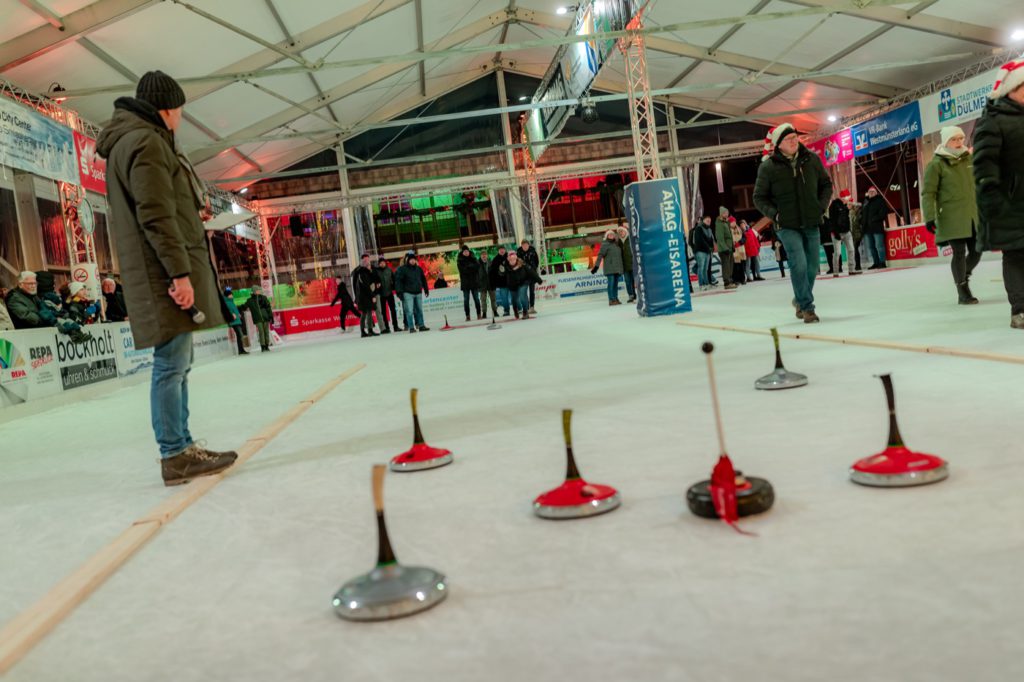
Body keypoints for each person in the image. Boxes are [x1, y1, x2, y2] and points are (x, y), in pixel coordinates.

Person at [96, 69, 236, 485]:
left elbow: (160, 206)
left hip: (155, 268)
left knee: (177, 364)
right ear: (168, 109)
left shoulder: (135, 141)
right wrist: (179, 273)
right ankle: (174, 453)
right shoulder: (147, 142)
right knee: (171, 365)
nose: (179, 120)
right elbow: (155, 215)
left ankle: (183, 445)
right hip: (162, 273)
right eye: (179, 112)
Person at [753, 122, 833, 323]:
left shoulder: (811, 160)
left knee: (812, 266)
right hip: (786, 225)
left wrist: (821, 206)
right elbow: (759, 197)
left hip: (811, 220)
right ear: (779, 144)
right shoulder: (768, 167)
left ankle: (799, 300)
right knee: (799, 264)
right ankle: (807, 307)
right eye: (789, 139)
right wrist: (776, 215)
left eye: (795, 137)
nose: (794, 140)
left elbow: (826, 184)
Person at [973, 59, 1024, 329]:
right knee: (1016, 255)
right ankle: (1020, 310)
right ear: (1013, 88)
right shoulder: (992, 120)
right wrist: (992, 196)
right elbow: (984, 162)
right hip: (1009, 201)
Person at [923, 126, 980, 305]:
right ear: (946, 141)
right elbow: (928, 193)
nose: (959, 142)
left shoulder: (969, 159)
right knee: (959, 252)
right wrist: (929, 216)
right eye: (954, 139)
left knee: (977, 250)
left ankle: (963, 275)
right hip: (950, 216)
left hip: (972, 215)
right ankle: (962, 289)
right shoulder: (936, 164)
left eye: (961, 138)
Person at [827, 190, 861, 277]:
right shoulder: (834, 205)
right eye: (848, 198)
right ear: (844, 198)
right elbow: (832, 220)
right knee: (837, 252)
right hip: (837, 232)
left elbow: (848, 217)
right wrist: (835, 232)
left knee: (851, 250)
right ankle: (835, 271)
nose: (849, 200)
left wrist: (848, 209)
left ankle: (852, 270)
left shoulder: (846, 206)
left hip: (846, 232)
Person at [394, 253, 430, 332]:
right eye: (411, 259)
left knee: (419, 310)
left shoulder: (418, 269)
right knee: (409, 311)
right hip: (408, 293)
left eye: (414, 259)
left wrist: (426, 289)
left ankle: (421, 325)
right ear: (408, 260)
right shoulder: (403, 269)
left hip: (418, 292)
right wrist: (399, 292)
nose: (413, 261)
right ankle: (411, 327)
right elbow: (398, 281)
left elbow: (423, 279)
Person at [591, 229, 625, 305]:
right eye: (609, 235)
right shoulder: (605, 244)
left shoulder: (616, 244)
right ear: (607, 236)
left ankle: (616, 298)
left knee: (615, 285)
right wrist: (596, 267)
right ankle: (611, 300)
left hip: (617, 268)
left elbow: (619, 257)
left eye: (612, 235)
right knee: (611, 284)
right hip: (609, 268)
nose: (611, 236)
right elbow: (600, 255)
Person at [506, 252, 543, 319]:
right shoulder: (506, 267)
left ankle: (525, 312)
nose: (512, 260)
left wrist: (539, 280)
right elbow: (501, 276)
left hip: (523, 282)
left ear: (516, 258)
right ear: (508, 259)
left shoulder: (522, 264)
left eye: (514, 258)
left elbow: (531, 272)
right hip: (512, 285)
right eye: (511, 259)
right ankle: (515, 310)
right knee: (514, 300)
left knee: (522, 295)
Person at [352, 253, 381, 338]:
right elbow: (366, 286)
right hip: (363, 296)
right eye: (365, 260)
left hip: (364, 295)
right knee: (366, 313)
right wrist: (372, 296)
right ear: (362, 261)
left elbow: (372, 280)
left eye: (368, 260)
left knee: (366, 313)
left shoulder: (367, 270)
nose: (367, 262)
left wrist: (370, 271)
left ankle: (366, 331)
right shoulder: (360, 272)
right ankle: (367, 331)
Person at [861, 187, 888, 269]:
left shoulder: (880, 201)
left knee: (879, 246)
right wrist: (862, 222)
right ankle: (876, 262)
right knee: (871, 247)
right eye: (869, 192)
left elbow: (883, 214)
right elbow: (863, 214)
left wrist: (873, 219)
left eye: (873, 191)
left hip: (877, 228)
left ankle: (882, 262)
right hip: (867, 229)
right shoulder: (866, 203)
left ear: (876, 192)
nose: (871, 193)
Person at [243, 284, 274, 351]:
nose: (259, 291)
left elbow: (268, 308)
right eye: (258, 290)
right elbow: (244, 307)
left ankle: (266, 345)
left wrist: (271, 316)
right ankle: (262, 346)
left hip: (265, 317)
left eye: (259, 290)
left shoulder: (263, 298)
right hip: (258, 319)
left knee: (266, 332)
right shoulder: (250, 300)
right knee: (261, 332)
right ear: (254, 291)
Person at [689, 216, 716, 290]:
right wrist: (707, 247)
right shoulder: (698, 228)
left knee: (705, 269)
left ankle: (706, 283)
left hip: (707, 251)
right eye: (707, 220)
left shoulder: (709, 229)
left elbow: (710, 240)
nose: (709, 222)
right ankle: (701, 284)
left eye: (710, 221)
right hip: (700, 251)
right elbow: (699, 240)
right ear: (703, 221)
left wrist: (711, 248)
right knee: (701, 268)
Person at [457, 245, 482, 321]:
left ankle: (479, 314)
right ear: (462, 252)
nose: (466, 252)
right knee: (466, 300)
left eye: (467, 251)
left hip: (474, 282)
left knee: (477, 299)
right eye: (464, 251)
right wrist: (471, 267)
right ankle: (467, 316)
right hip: (465, 284)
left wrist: (469, 267)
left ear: (469, 251)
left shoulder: (473, 258)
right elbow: (463, 271)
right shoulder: (459, 261)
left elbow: (477, 266)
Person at [376, 258, 402, 332]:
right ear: (379, 264)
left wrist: (395, 288)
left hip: (389, 293)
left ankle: (395, 326)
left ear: (385, 263)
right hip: (381, 294)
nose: (382, 264)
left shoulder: (389, 270)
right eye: (380, 263)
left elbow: (394, 280)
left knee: (393, 310)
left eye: (383, 263)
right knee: (383, 312)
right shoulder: (377, 271)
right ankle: (386, 327)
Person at [714, 207, 737, 289]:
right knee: (726, 266)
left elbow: (730, 236)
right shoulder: (719, 223)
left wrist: (732, 247)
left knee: (730, 265)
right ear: (721, 214)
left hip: (729, 248)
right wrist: (725, 248)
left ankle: (730, 280)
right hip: (724, 249)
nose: (727, 214)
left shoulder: (725, 222)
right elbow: (720, 238)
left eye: (727, 213)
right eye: (725, 213)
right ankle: (727, 283)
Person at [516, 238, 541, 312]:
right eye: (523, 245)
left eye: (526, 245)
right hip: (523, 275)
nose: (525, 246)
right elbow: (518, 263)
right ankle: (526, 306)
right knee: (523, 292)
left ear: (528, 245)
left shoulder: (533, 251)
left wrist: (533, 270)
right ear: (521, 246)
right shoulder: (519, 253)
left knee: (531, 291)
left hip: (532, 274)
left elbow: (537, 261)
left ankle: (532, 307)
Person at [616, 223, 637, 303]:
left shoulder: (630, 240)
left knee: (635, 281)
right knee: (628, 282)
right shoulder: (619, 243)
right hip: (624, 266)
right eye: (620, 232)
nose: (621, 233)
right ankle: (631, 295)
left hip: (632, 264)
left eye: (622, 231)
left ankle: (638, 295)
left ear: (626, 232)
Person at [222, 287, 247, 355]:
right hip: (233, 321)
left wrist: (238, 314)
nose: (232, 295)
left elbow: (234, 310)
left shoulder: (231, 302)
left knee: (240, 335)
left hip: (237, 320)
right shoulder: (226, 302)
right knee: (240, 335)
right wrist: (232, 314)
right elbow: (227, 311)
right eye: (231, 294)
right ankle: (241, 350)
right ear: (228, 295)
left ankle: (241, 350)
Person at [490, 245, 511, 316]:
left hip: (511, 281)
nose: (502, 251)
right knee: (504, 298)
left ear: (505, 250)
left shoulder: (510, 257)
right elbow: (492, 272)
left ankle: (519, 308)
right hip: (502, 283)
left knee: (515, 297)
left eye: (503, 249)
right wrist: (494, 282)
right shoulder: (495, 259)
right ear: (498, 251)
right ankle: (506, 310)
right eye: (500, 249)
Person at [477, 250, 494, 319]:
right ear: (480, 256)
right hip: (482, 284)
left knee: (493, 299)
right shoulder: (477, 264)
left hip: (491, 283)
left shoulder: (491, 262)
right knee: (483, 300)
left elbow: (494, 273)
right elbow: (476, 275)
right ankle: (484, 313)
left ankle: (495, 311)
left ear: (487, 255)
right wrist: (478, 283)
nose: (484, 256)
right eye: (482, 255)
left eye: (485, 254)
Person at [730, 217, 747, 284]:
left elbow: (744, 238)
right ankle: (736, 279)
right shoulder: (728, 230)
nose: (734, 223)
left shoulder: (739, 229)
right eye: (732, 222)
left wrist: (740, 242)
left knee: (742, 265)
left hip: (741, 249)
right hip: (734, 250)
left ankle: (742, 279)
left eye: (734, 222)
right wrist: (732, 244)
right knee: (735, 266)